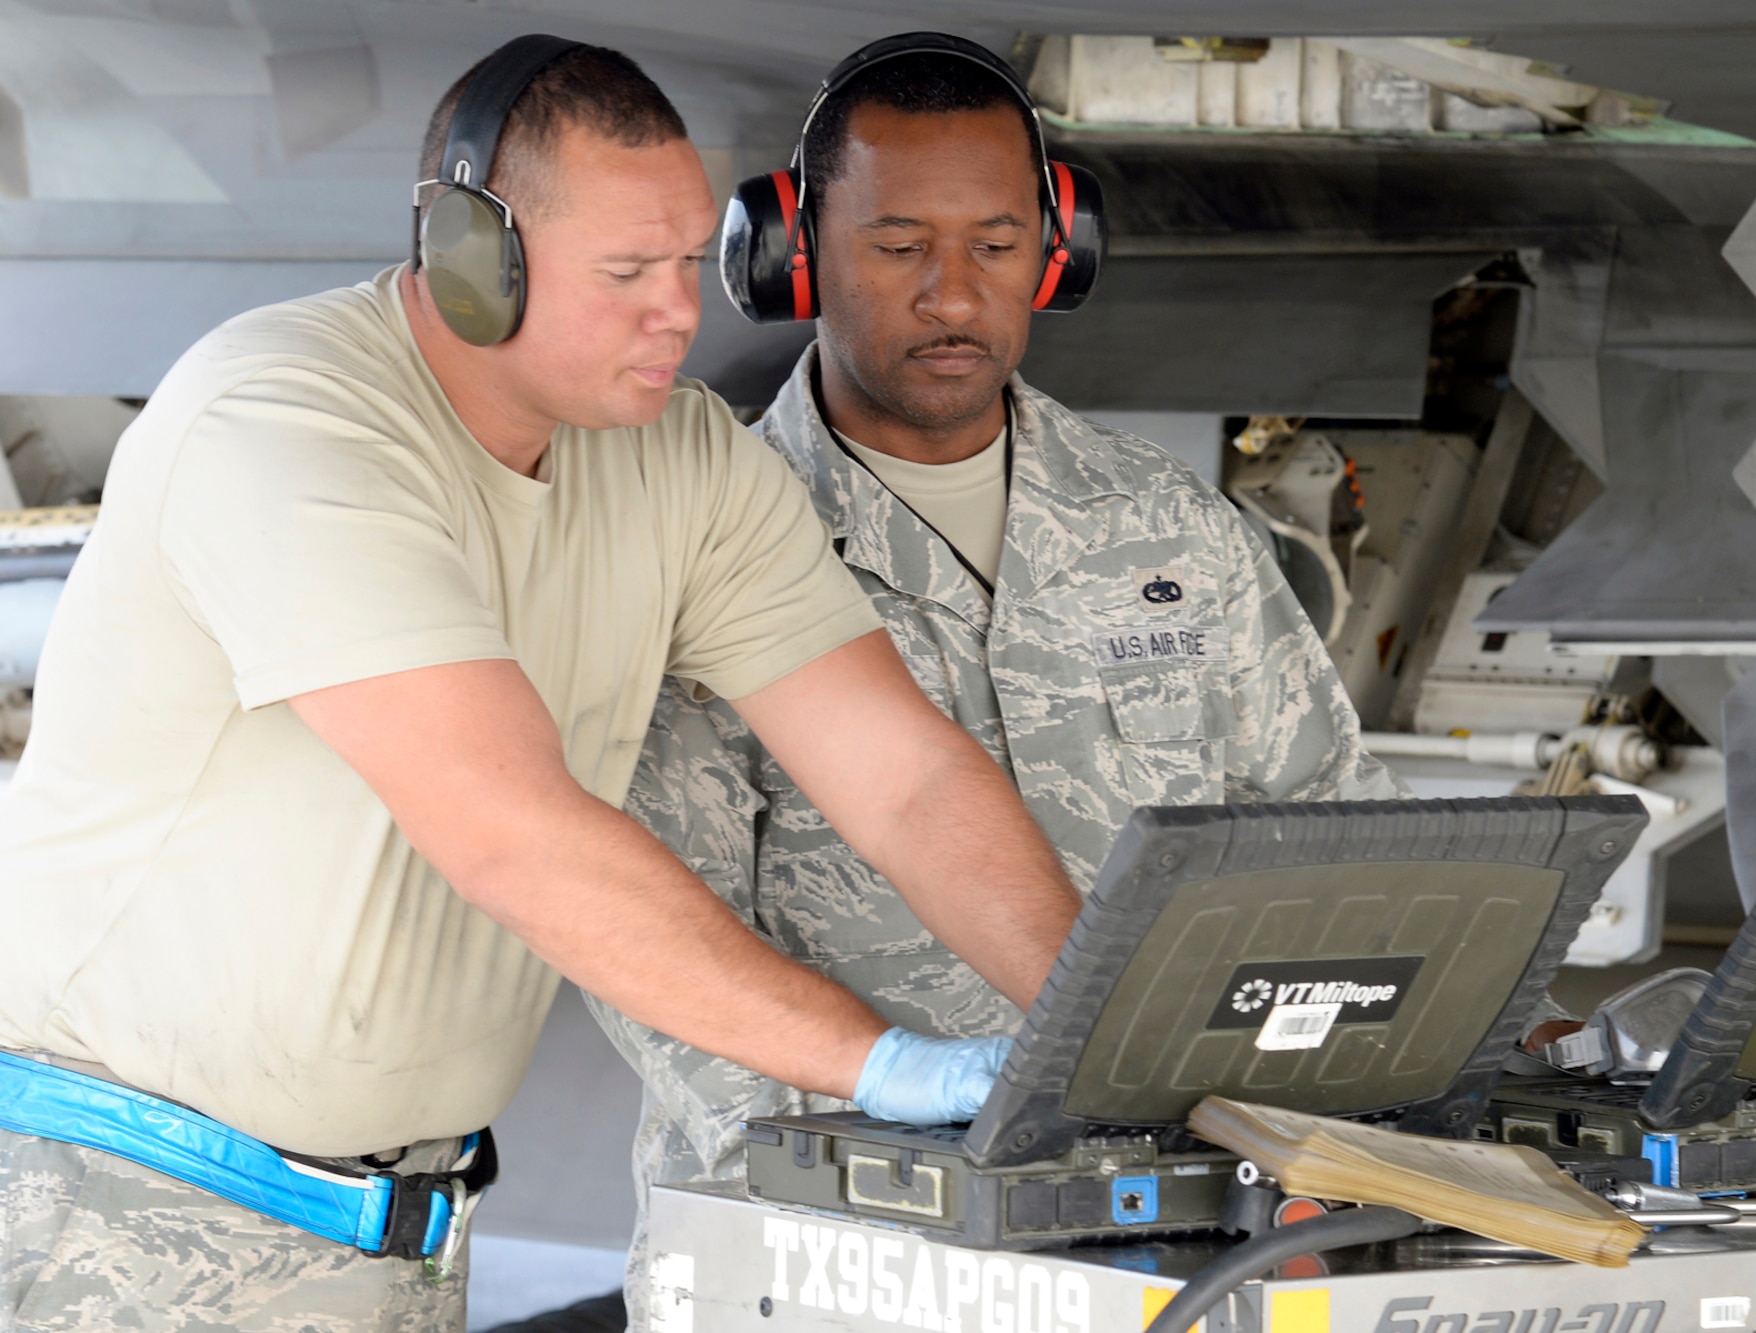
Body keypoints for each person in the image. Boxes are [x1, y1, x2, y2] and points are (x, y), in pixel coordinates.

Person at [0, 38, 1082, 1333]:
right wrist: (877, 1058)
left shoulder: (680, 464)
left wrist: (1096, 1033)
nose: (677, 315)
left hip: (403, 1227)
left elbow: (900, 778)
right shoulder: (283, 418)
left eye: (686, 264)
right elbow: (513, 834)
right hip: (121, 1213)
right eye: (624, 274)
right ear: (473, 260)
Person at [589, 34, 1405, 1328]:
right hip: (824, 1270)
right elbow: (667, 966)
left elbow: (1335, 843)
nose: (955, 296)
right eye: (901, 247)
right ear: (798, 252)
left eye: (995, 243)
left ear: (1056, 250)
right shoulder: (708, 541)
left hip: (1167, 1253)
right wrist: (935, 1162)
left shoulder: (1170, 534)